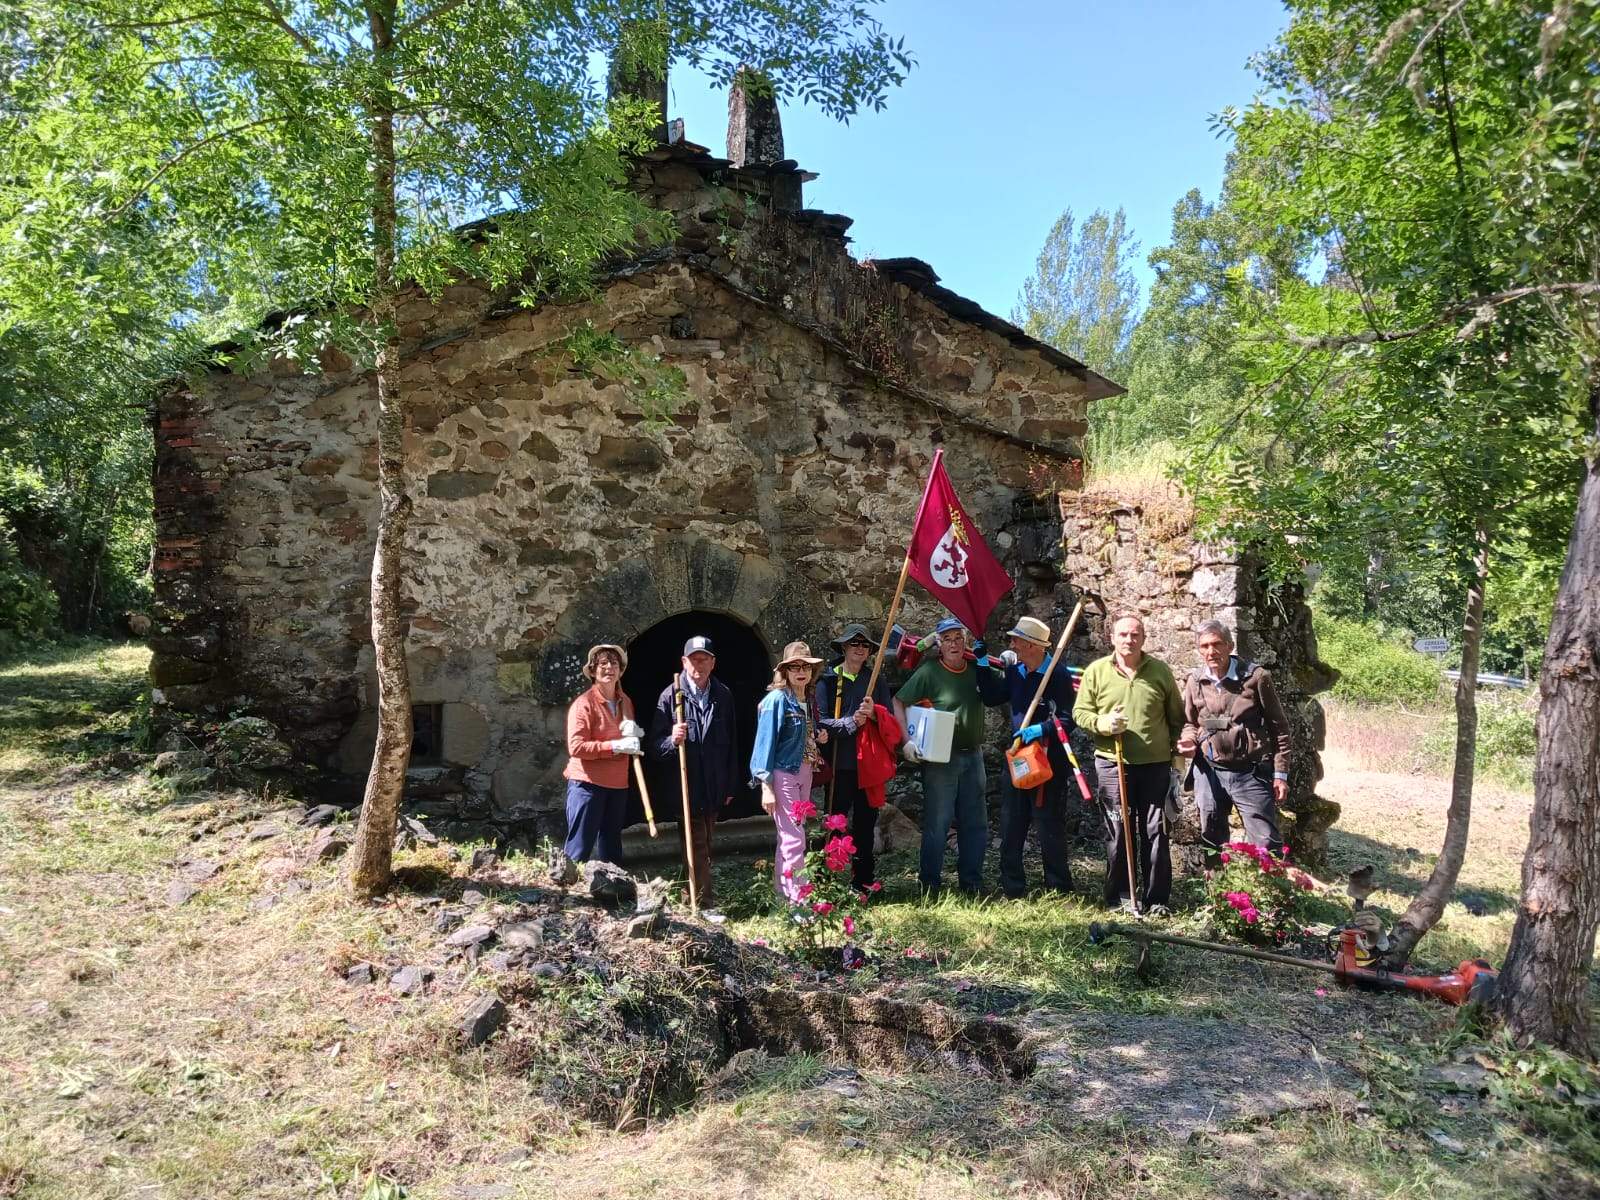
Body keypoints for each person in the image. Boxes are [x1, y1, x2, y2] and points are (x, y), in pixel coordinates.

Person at [1072, 613, 1184, 914]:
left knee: (1155, 831)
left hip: (1155, 765)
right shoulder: (1096, 671)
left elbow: (1177, 719)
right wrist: (1103, 723)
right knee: (1118, 829)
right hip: (1112, 764)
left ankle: (1156, 899)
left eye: (1135, 634)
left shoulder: (1160, 671)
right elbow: (1080, 713)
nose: (1129, 640)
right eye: (1123, 634)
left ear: (1143, 638)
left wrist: (1177, 760)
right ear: (1112, 638)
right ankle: (1120, 897)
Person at [977, 615, 1078, 899]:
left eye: (1016, 640)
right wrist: (983, 665)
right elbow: (991, 696)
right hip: (1018, 758)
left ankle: (1058, 888)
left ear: (1033, 645)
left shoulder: (1056, 676)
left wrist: (1042, 728)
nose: (1012, 645)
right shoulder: (1016, 672)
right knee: (1012, 823)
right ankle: (1012, 887)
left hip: (1048, 761)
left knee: (1048, 824)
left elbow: (1069, 720)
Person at [893, 617, 991, 899]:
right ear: (939, 643)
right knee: (938, 822)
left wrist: (1008, 663)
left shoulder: (975, 668)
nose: (953, 644)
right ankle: (930, 887)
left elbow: (998, 687)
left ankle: (971, 883)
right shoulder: (929, 672)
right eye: (947, 639)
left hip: (974, 756)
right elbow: (899, 701)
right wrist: (907, 741)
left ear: (965, 642)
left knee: (975, 822)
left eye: (958, 638)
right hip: (940, 760)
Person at [1177, 619, 1293, 855]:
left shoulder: (1256, 678)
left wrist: (1280, 774)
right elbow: (1189, 722)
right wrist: (1188, 741)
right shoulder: (1195, 681)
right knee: (1212, 840)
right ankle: (1219, 890)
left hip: (1250, 773)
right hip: (1209, 772)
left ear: (1230, 645)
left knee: (1266, 844)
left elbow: (1279, 727)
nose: (1211, 651)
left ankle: (1266, 890)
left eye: (1217, 644)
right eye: (1205, 646)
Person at [649, 635, 738, 915]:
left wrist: (731, 783)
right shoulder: (670, 696)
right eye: (694, 659)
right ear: (684, 662)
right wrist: (671, 740)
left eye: (704, 659)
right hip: (685, 785)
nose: (699, 664)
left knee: (702, 845)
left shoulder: (723, 695)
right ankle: (705, 905)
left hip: (714, 783)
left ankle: (690, 895)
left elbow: (732, 743)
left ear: (713, 663)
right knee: (697, 842)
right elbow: (654, 747)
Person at [815, 623, 894, 889]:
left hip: (867, 765)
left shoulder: (875, 681)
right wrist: (850, 722)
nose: (860, 649)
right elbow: (822, 722)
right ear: (844, 647)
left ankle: (862, 880)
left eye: (864, 645)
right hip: (840, 763)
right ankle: (829, 878)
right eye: (854, 644)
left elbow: (890, 721)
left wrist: (874, 714)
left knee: (865, 823)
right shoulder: (827, 680)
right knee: (835, 820)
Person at [751, 641, 828, 901]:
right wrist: (766, 786)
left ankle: (782, 895)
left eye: (805, 666)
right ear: (784, 671)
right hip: (784, 773)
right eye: (794, 667)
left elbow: (800, 737)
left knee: (790, 833)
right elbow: (764, 744)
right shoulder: (776, 700)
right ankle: (800, 900)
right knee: (795, 835)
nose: (801, 671)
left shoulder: (807, 699)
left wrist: (818, 735)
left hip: (805, 771)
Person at [562, 644, 643, 865]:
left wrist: (635, 737)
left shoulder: (625, 702)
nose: (609, 668)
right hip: (587, 785)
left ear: (620, 670)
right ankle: (568, 894)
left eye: (614, 663)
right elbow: (576, 747)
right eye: (603, 664)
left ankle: (611, 894)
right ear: (592, 671)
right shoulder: (584, 704)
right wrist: (616, 747)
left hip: (617, 785)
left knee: (611, 849)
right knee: (579, 848)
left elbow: (628, 736)